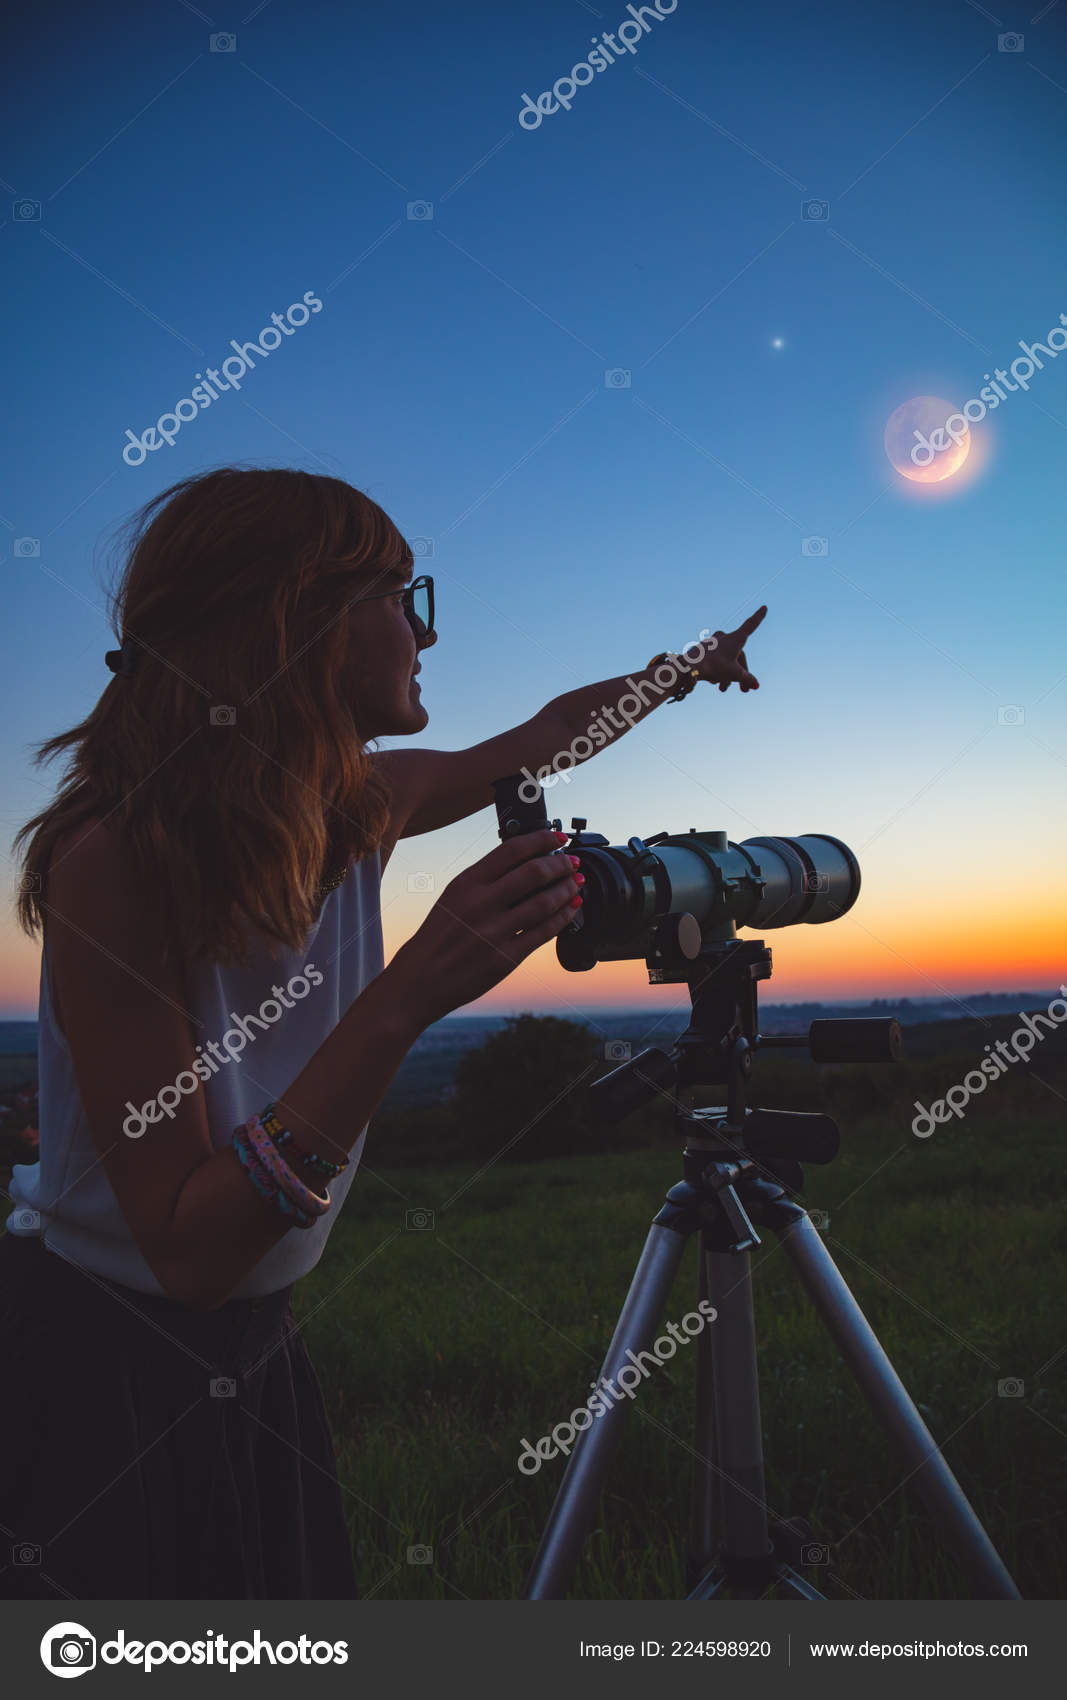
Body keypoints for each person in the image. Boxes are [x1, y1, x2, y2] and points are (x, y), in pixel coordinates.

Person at [1, 465, 766, 1600]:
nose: (428, 633)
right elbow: (188, 1249)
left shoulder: (362, 804)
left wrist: (676, 670)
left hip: (257, 1347)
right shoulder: (114, 860)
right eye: (405, 596)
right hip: (106, 1371)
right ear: (296, 616)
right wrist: (410, 991)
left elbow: (549, 732)